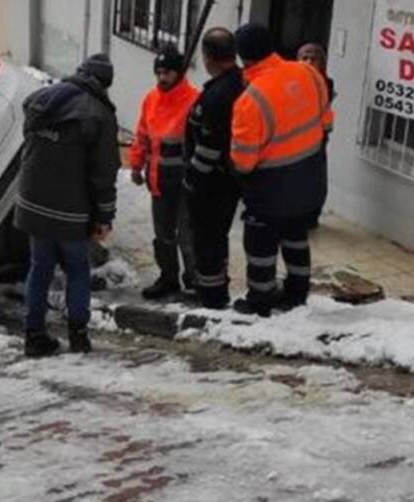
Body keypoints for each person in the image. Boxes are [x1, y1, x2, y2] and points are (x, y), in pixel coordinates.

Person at [14, 53, 120, 358]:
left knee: (40, 268)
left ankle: (34, 336)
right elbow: (104, 173)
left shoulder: (42, 99)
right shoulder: (100, 115)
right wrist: (105, 215)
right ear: (105, 84)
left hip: (32, 203)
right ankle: (79, 336)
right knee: (77, 270)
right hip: (71, 211)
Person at [230, 23, 332, 317]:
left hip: (271, 188)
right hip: (311, 177)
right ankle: (297, 293)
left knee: (261, 244)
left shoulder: (250, 100)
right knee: (296, 236)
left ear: (244, 58)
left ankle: (260, 299)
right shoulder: (309, 73)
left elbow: (244, 162)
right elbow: (326, 122)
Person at [127, 48, 200, 301]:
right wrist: (136, 165)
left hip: (186, 181)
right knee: (163, 235)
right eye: (158, 72)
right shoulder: (151, 99)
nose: (161, 77)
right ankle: (168, 277)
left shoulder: (194, 100)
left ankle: (194, 280)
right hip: (158, 180)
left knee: (187, 233)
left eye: (167, 72)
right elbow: (142, 135)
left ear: (178, 73)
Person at [183, 28, 245, 309]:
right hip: (230, 177)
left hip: (212, 182)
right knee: (216, 236)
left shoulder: (218, 94)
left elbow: (209, 146)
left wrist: (192, 179)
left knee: (207, 238)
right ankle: (215, 285)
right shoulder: (242, 83)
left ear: (208, 58)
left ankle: (210, 296)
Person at [297, 42, 335, 230]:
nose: (309, 62)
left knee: (315, 181)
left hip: (316, 141)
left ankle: (311, 216)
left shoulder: (325, 83)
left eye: (313, 59)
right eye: (304, 58)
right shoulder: (291, 82)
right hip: (295, 142)